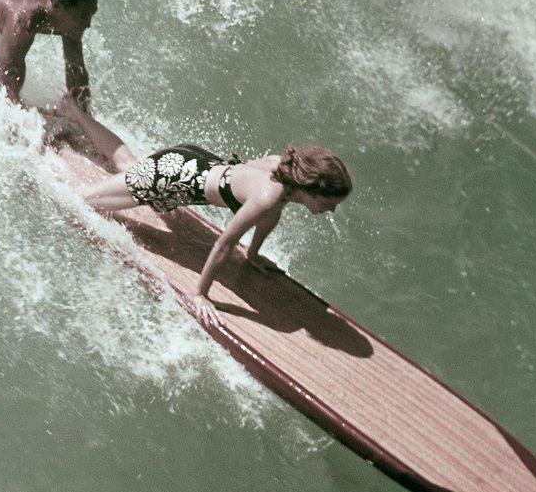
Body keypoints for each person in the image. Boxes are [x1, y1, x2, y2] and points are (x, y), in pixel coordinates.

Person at [56, 96, 353, 328]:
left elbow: (270, 217)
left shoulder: (282, 171)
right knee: (82, 200)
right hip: (174, 177)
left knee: (131, 166)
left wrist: (252, 255)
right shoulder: (268, 195)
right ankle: (38, 153)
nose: (331, 210)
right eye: (329, 203)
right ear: (314, 187)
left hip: (195, 160)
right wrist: (200, 294)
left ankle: (74, 112)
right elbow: (225, 242)